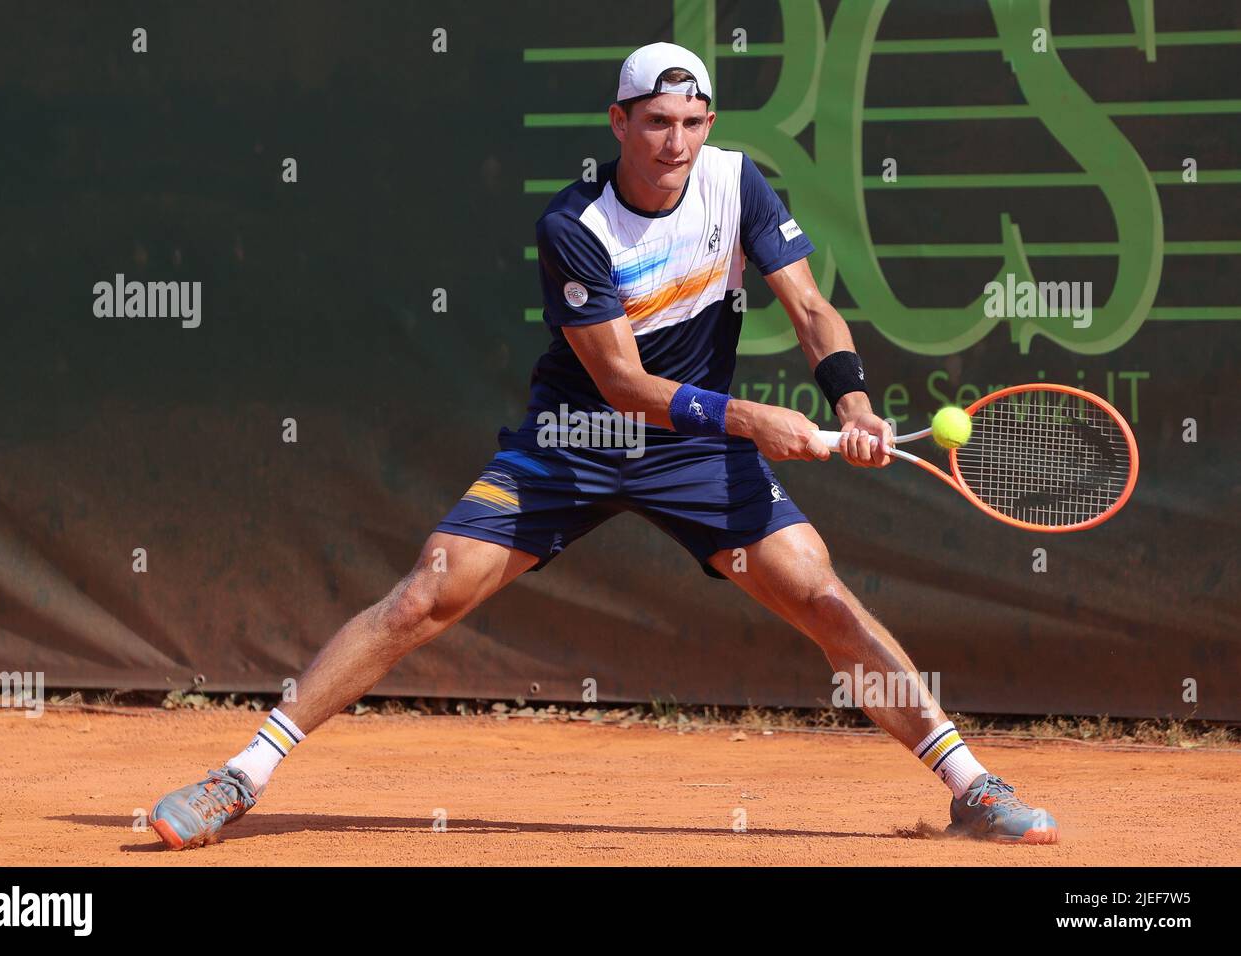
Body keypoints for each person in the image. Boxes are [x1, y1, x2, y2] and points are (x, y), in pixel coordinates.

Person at [149, 42, 1057, 850]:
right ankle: (242, 776)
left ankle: (971, 787)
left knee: (820, 595)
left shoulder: (737, 183)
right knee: (426, 591)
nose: (677, 143)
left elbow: (812, 308)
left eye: (694, 122)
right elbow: (623, 385)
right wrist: (755, 420)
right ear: (617, 121)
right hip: (576, 440)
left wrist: (850, 401)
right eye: (658, 122)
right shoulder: (574, 229)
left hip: (692, 452)